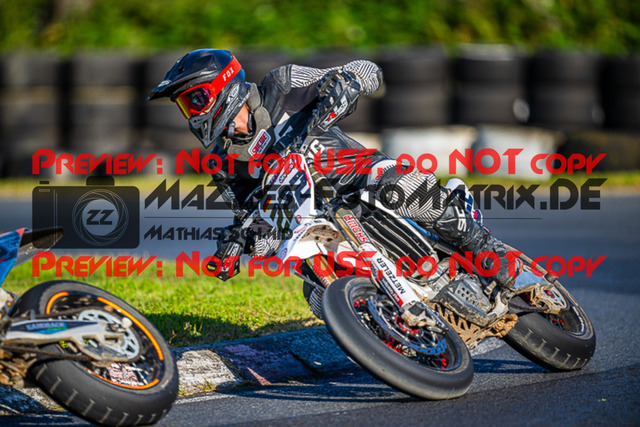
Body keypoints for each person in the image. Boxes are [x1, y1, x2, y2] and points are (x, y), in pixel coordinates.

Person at [148, 48, 522, 288]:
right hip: (314, 217)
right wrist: (238, 242)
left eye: (196, 100)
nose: (193, 114)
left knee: (397, 186)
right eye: (185, 106)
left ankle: (485, 247)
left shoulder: (282, 84)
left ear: (225, 86)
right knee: (309, 283)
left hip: (360, 176)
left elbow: (366, 69)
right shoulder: (222, 162)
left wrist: (348, 84)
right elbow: (253, 217)